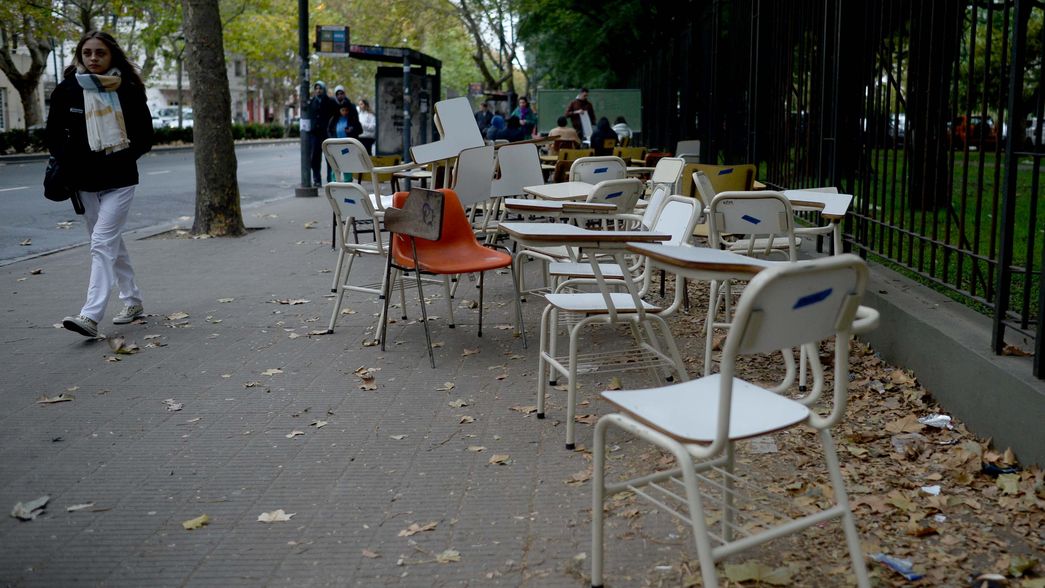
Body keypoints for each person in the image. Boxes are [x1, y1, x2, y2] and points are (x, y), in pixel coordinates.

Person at [46, 30, 153, 337]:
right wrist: (71, 159)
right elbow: (53, 136)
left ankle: (90, 316)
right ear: (80, 55)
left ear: (111, 56)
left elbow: (145, 136)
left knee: (102, 242)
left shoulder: (127, 89)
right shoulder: (67, 90)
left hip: (119, 179)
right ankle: (132, 300)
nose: (93, 58)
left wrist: (118, 154)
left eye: (100, 53)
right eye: (88, 52)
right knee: (109, 243)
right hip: (82, 182)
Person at [308, 81, 337, 186]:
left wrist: (331, 127)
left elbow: (336, 115)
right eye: (316, 88)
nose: (318, 90)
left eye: (320, 88)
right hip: (315, 134)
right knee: (314, 158)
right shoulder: (312, 102)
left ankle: (330, 179)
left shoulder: (330, 101)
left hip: (326, 134)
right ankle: (317, 180)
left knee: (329, 158)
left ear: (324, 89)